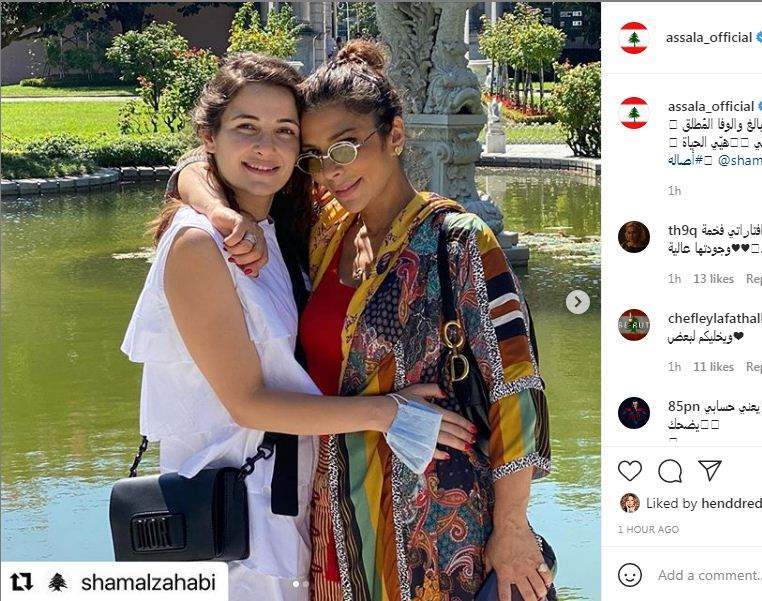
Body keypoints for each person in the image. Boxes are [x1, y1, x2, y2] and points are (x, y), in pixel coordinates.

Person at [172, 40, 555, 601]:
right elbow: (198, 164)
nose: (331, 170)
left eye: (346, 147)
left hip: (437, 531)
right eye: (315, 155)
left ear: (394, 135)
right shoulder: (325, 230)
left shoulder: (458, 242)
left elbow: (514, 389)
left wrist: (513, 526)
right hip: (332, 525)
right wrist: (219, 212)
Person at [121, 53, 473, 601]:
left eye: (285, 132)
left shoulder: (289, 228)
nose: (267, 147)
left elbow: (191, 172)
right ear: (210, 136)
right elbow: (248, 403)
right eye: (246, 127)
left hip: (288, 513)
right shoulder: (199, 243)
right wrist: (387, 412)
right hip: (227, 526)